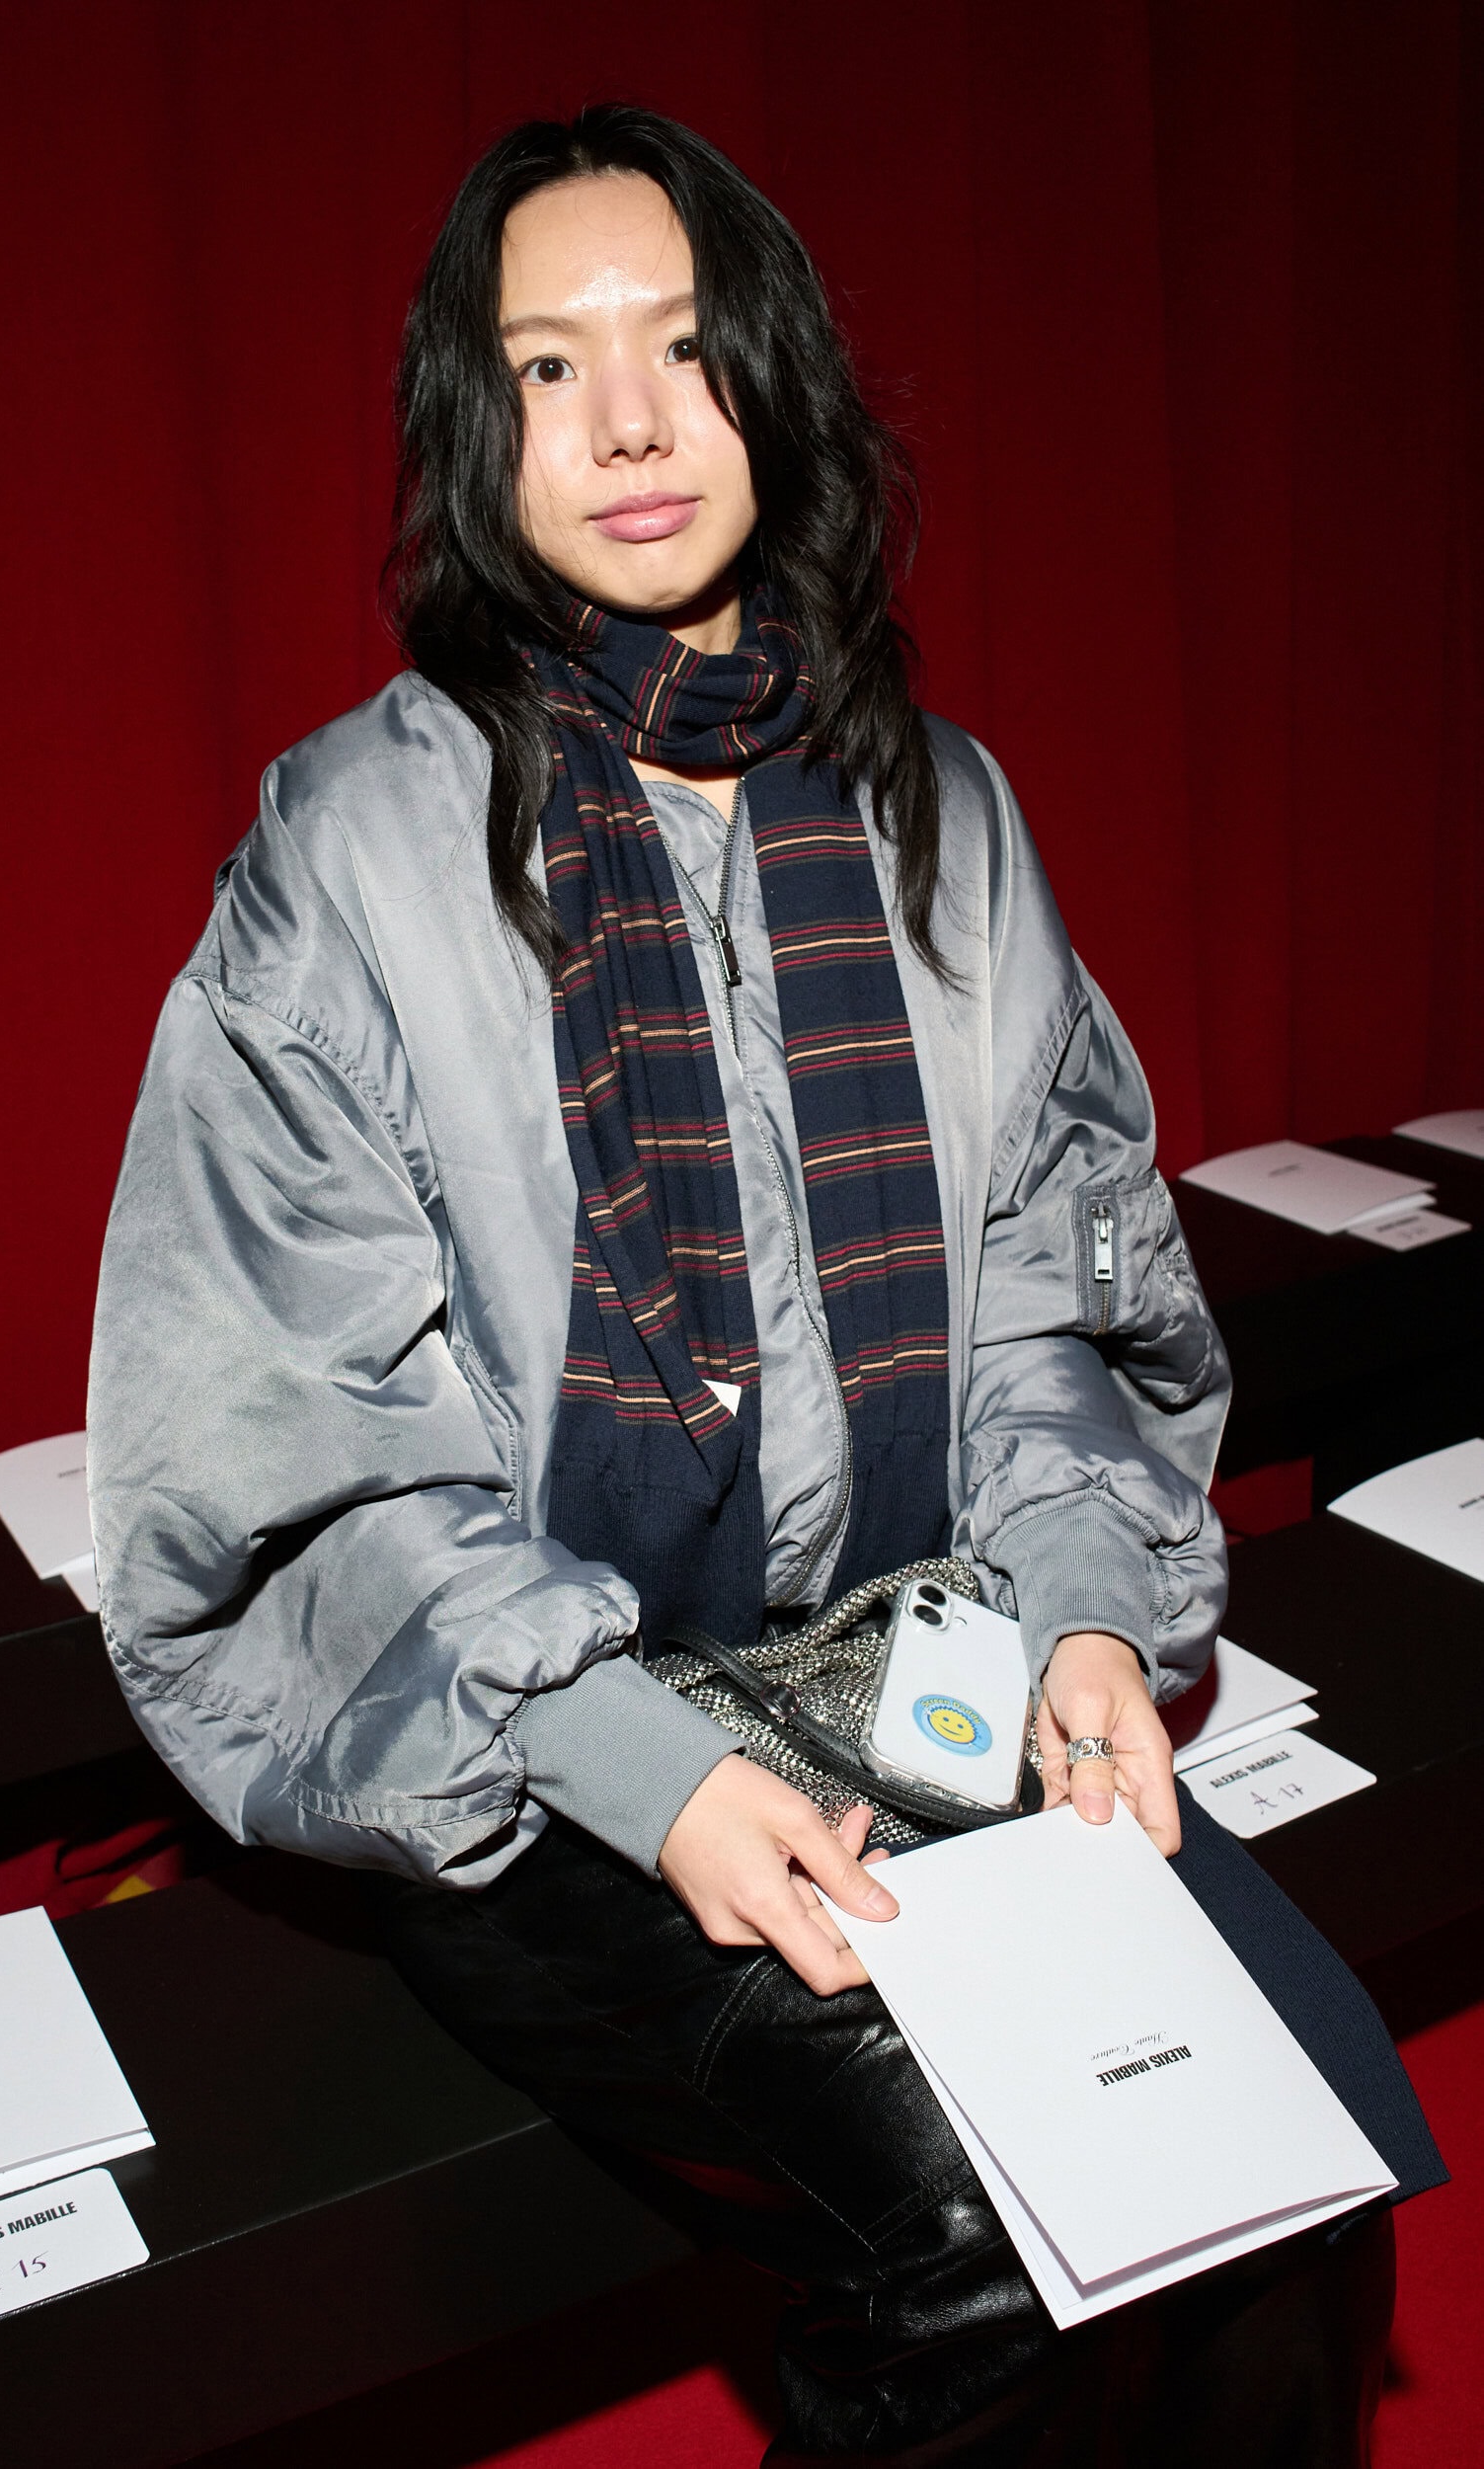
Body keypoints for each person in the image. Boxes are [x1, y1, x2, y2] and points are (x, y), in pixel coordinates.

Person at [88, 106, 1436, 2465]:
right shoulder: (353, 854)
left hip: (923, 1650)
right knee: (963, 2223)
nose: (625, 420)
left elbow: (1045, 1293)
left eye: (685, 348)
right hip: (536, 1738)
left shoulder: (943, 811)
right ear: (467, 424)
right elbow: (298, 1437)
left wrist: (1088, 1618)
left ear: (776, 386)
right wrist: (652, 1765)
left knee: (1287, 2175)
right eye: (544, 366)